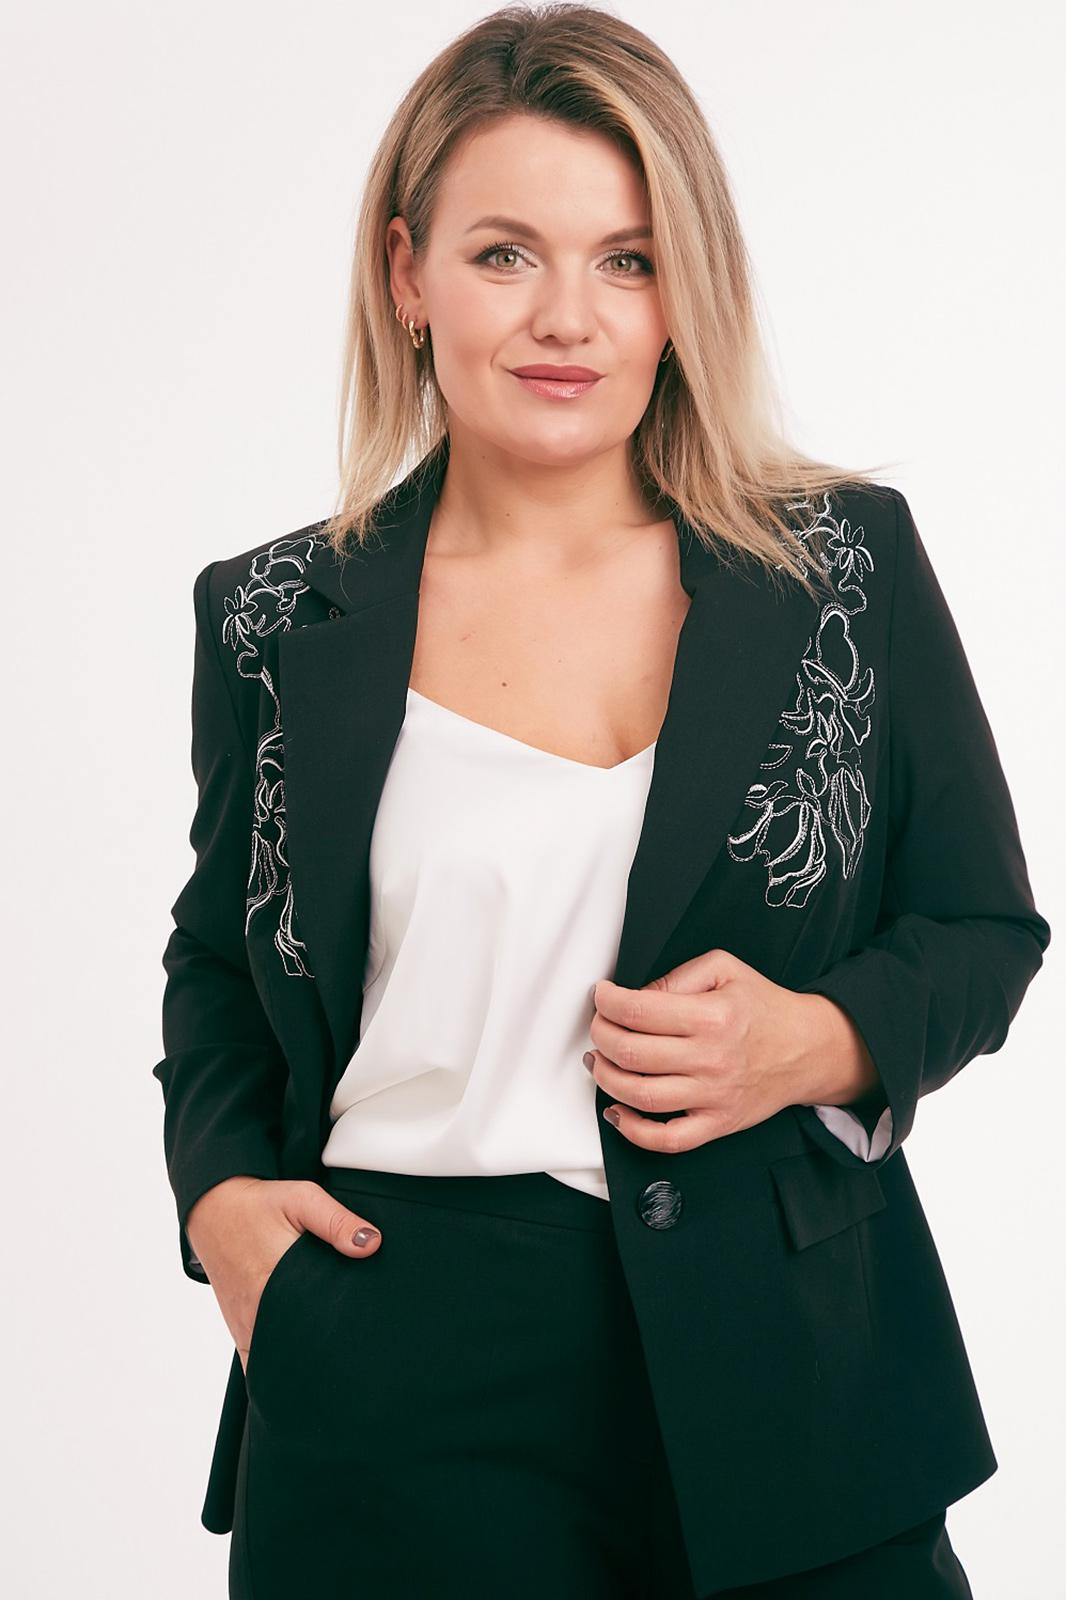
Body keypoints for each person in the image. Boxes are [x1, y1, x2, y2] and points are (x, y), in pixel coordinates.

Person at [152, 7, 1051, 1597]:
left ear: (683, 290)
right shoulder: (273, 616)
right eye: (504, 254)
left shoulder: (837, 568)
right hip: (392, 1354)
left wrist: (811, 1040)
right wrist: (219, 1199)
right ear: (406, 275)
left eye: (627, 261)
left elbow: (980, 927)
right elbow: (221, 955)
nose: (566, 317)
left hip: (788, 1357)